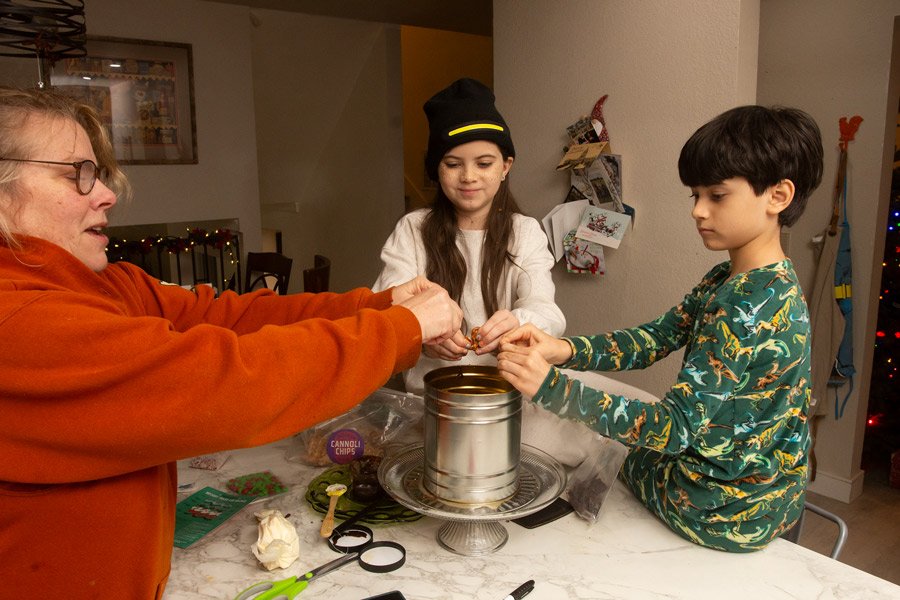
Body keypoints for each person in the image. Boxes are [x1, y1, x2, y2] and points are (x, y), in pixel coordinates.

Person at [0, 85, 462, 598]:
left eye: (98, 174)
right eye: (74, 174)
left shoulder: (107, 285)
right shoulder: (18, 320)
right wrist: (400, 328)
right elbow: (224, 381)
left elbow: (228, 318)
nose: (105, 194)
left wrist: (380, 305)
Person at [498, 105, 824, 552]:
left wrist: (552, 389)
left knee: (600, 445)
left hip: (715, 512)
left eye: (717, 195)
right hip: (772, 500)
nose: (698, 210)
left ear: (778, 196)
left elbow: (673, 429)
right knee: (609, 428)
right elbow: (655, 339)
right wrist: (564, 350)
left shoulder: (744, 306)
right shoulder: (744, 281)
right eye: (695, 195)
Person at [373, 78, 565, 395]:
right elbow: (385, 312)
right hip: (428, 399)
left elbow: (548, 313)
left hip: (505, 393)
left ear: (506, 166)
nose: (469, 177)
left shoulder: (525, 232)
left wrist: (516, 323)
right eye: (453, 164)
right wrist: (420, 336)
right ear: (437, 169)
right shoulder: (413, 229)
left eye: (484, 163)